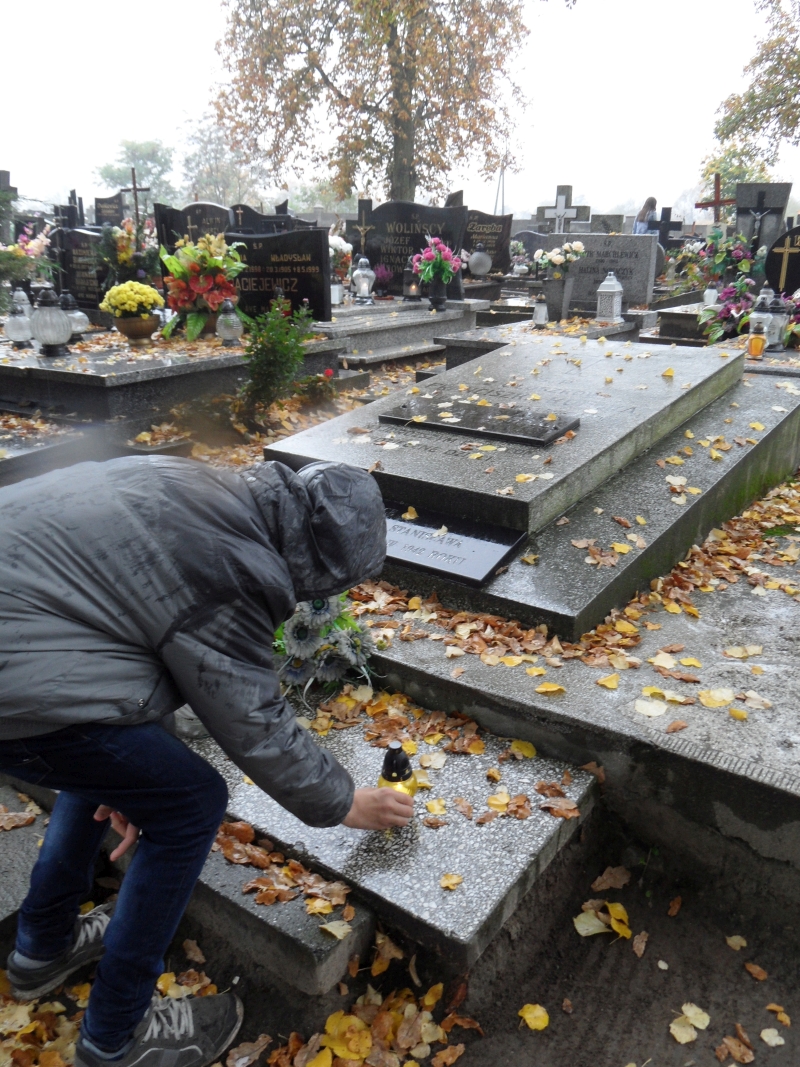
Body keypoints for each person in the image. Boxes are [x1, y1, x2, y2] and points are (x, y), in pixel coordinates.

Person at [0, 456, 413, 1067]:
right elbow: (250, 718)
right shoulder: (230, 566)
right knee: (192, 802)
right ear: (313, 559)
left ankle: (43, 948)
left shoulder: (204, 488)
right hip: (17, 669)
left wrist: (131, 775)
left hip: (29, 631)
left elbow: (130, 620)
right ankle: (116, 1036)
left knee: (128, 771)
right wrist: (345, 802)